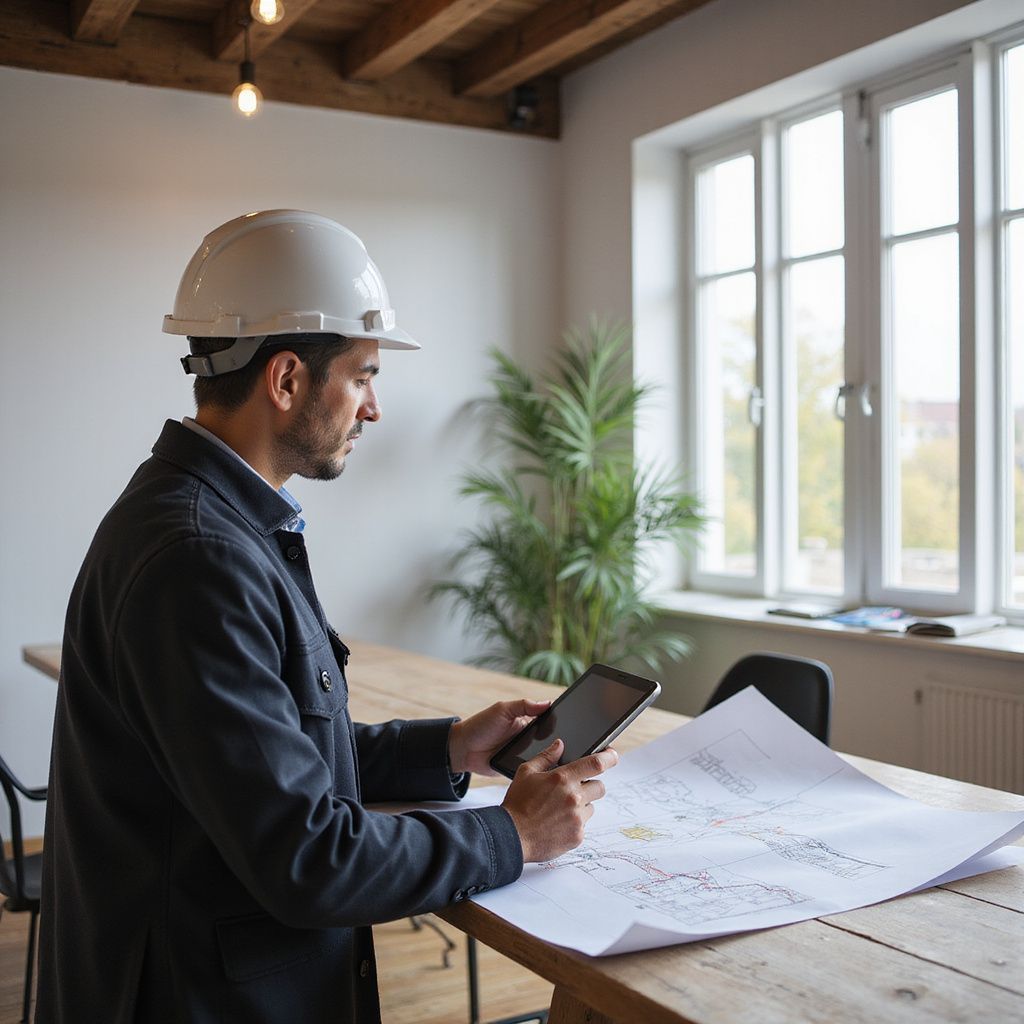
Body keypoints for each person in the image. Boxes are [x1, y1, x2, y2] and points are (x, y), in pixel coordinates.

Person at [35, 210, 617, 1024]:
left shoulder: (210, 521)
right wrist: (512, 837)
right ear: (285, 381)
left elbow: (267, 760)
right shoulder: (199, 557)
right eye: (363, 376)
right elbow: (306, 856)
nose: (373, 408)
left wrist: (450, 747)